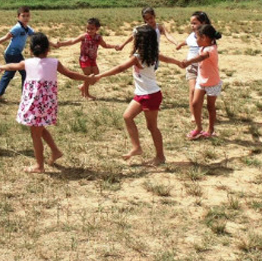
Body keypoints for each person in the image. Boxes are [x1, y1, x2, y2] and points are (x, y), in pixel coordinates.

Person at [0, 33, 90, 173]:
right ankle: (55, 151)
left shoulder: (27, 63)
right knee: (39, 128)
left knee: (35, 134)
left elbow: (13, 66)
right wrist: (87, 78)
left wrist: (1, 66)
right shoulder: (54, 62)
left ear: (30, 50)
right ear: (48, 49)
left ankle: (39, 166)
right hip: (47, 104)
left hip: (34, 104)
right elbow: (70, 74)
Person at [93, 25, 183, 166]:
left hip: (151, 95)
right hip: (142, 94)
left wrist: (100, 76)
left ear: (139, 41)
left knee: (152, 127)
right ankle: (137, 147)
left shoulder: (138, 57)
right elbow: (167, 58)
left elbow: (119, 68)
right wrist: (178, 62)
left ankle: (160, 157)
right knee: (127, 116)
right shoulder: (152, 52)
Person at [54, 18, 115, 100]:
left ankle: (83, 87)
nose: (89, 30)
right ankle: (86, 94)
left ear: (97, 29)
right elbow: (73, 41)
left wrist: (115, 46)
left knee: (96, 75)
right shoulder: (84, 36)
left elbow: (105, 45)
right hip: (84, 59)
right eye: (87, 28)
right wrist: (61, 44)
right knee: (88, 76)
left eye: (92, 29)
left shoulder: (98, 38)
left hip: (93, 59)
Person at [181, 24, 222, 140]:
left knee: (210, 107)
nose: (196, 41)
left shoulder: (211, 49)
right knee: (195, 103)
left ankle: (210, 129)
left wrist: (189, 61)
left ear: (204, 37)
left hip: (212, 83)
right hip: (201, 81)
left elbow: (201, 58)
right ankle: (198, 127)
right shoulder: (202, 47)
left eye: (197, 38)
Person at [0, 6, 35, 101]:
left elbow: (37, 37)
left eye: (27, 16)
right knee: (25, 72)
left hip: (16, 53)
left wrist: (53, 44)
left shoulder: (27, 28)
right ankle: (25, 96)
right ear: (18, 17)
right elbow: (6, 37)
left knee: (9, 73)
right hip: (12, 53)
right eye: (23, 16)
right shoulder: (17, 28)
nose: (25, 18)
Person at [175, 11, 211, 122]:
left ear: (203, 23)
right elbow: (187, 41)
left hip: (204, 67)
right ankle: (194, 115)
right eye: (191, 23)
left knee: (201, 91)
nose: (192, 26)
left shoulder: (207, 37)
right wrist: (180, 45)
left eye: (195, 23)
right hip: (191, 67)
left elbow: (208, 53)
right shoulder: (192, 36)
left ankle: (201, 109)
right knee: (192, 90)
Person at [115, 7, 179, 51]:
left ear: (154, 16)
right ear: (144, 19)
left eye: (151, 18)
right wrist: (122, 45)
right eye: (147, 19)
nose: (150, 20)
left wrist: (176, 43)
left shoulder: (159, 27)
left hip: (155, 53)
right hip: (144, 53)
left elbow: (168, 35)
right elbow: (132, 36)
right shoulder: (142, 28)